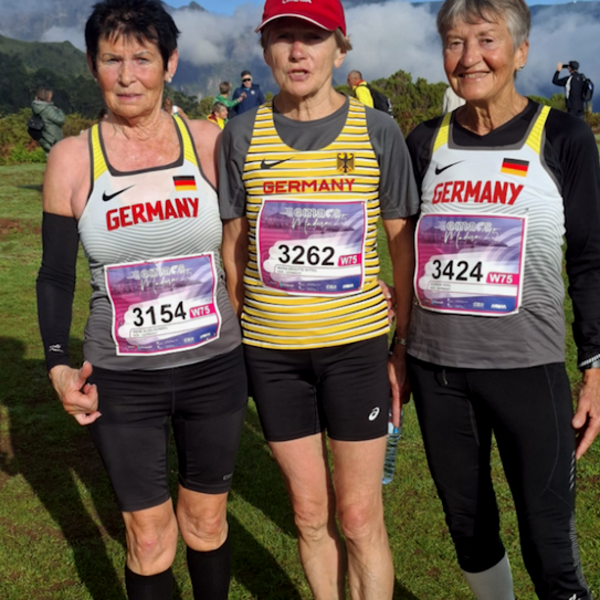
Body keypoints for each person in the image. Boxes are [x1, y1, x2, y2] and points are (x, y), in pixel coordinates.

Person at [35, 1, 247, 598]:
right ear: (92, 65)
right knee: (149, 538)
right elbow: (54, 275)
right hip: (123, 380)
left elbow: (245, 245)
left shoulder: (208, 142)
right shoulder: (71, 159)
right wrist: (57, 363)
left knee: (206, 523)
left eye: (142, 59)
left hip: (214, 369)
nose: (127, 76)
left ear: (170, 64)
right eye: (111, 60)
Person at [219, 0, 418, 597]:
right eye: (283, 36)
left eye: (313, 36)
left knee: (358, 517)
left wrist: (401, 347)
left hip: (355, 350)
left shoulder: (377, 130)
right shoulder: (239, 135)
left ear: (340, 47)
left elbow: (402, 247)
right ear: (266, 50)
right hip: (272, 355)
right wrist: (238, 336)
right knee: (309, 515)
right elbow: (234, 249)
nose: (298, 51)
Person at [405, 0, 600, 598]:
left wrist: (594, 367)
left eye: (486, 40)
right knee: (469, 529)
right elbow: (402, 252)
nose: (470, 58)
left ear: (520, 52)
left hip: (527, 371)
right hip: (437, 371)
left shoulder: (562, 136)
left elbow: (589, 258)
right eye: (454, 42)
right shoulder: (425, 141)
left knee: (548, 540)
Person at [31, 87, 65, 154]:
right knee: (56, 156)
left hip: (44, 137)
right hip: (53, 137)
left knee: (49, 155)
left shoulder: (35, 106)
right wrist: (58, 111)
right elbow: (61, 120)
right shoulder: (48, 109)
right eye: (50, 97)